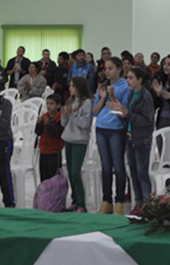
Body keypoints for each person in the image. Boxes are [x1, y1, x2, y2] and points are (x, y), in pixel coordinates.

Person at [93, 57, 129, 214]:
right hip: (101, 127)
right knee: (106, 167)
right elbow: (94, 111)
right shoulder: (103, 86)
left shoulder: (125, 87)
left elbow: (125, 111)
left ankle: (119, 201)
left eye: (111, 68)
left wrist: (113, 96)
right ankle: (106, 201)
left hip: (116, 129)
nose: (107, 71)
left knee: (118, 166)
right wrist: (102, 97)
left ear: (119, 69)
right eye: (106, 68)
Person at [120, 66, 154, 212]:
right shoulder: (130, 95)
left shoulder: (146, 96)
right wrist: (120, 112)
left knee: (142, 172)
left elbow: (147, 120)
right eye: (127, 77)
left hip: (141, 139)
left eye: (131, 77)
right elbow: (129, 115)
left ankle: (147, 204)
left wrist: (128, 115)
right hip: (130, 137)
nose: (127, 80)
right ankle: (138, 203)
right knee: (133, 172)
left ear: (140, 80)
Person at [61, 76, 94, 212]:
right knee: (70, 172)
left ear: (80, 87)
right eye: (70, 85)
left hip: (79, 140)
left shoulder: (87, 102)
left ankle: (81, 204)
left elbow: (84, 124)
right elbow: (64, 124)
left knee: (75, 172)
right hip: (68, 139)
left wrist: (73, 114)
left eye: (73, 86)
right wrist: (64, 114)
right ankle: (74, 201)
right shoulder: (71, 101)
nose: (70, 88)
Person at [35, 94, 65, 183]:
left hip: (54, 151)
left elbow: (58, 133)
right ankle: (46, 195)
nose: (49, 106)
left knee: (54, 176)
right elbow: (38, 132)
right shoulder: (45, 116)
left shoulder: (60, 118)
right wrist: (39, 124)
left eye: (52, 104)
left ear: (58, 105)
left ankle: (55, 195)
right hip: (44, 150)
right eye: (47, 103)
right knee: (44, 176)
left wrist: (48, 125)